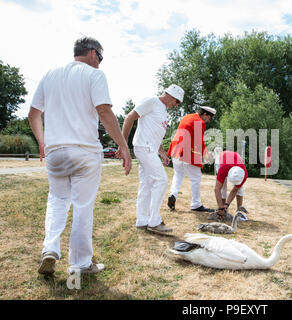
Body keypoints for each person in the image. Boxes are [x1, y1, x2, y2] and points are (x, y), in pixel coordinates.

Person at [29, 37, 132, 276]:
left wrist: (42, 143)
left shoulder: (50, 74)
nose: (100, 63)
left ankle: (50, 248)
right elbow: (104, 110)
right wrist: (123, 145)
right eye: (101, 58)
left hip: (55, 150)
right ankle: (80, 264)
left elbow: (33, 114)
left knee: (57, 200)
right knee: (83, 207)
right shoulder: (94, 75)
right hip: (84, 150)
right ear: (94, 54)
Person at [120, 84, 184, 234]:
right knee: (161, 180)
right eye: (176, 102)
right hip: (144, 147)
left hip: (149, 148)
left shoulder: (162, 111)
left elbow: (155, 135)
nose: (176, 105)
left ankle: (142, 220)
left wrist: (161, 153)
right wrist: (123, 144)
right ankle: (154, 221)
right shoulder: (151, 101)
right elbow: (129, 117)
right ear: (170, 95)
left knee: (147, 184)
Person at [167, 106, 216, 212]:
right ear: (205, 114)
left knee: (178, 174)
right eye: (210, 117)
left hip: (176, 149)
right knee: (196, 177)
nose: (209, 120)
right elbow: (199, 141)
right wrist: (206, 155)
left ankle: (173, 194)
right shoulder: (200, 122)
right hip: (187, 151)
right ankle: (196, 204)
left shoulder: (186, 117)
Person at [213, 150, 248, 221]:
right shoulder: (223, 169)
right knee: (223, 188)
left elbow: (235, 190)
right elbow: (217, 189)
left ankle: (239, 212)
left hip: (234, 159)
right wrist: (221, 207)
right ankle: (223, 212)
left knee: (240, 189)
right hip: (222, 159)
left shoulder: (244, 174)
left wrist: (227, 204)